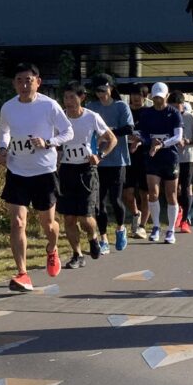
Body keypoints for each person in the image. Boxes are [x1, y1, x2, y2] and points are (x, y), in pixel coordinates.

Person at [0, 63, 74, 289]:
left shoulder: (49, 105)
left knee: (48, 224)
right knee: (17, 222)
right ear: (14, 83)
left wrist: (49, 142)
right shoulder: (8, 107)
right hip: (17, 171)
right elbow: (4, 131)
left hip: (44, 172)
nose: (24, 85)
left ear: (38, 82)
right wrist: (3, 148)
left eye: (28, 80)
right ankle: (22, 273)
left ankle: (52, 248)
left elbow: (68, 132)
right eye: (19, 80)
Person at [57, 82, 118, 267]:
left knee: (85, 217)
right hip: (66, 170)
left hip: (87, 171)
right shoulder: (59, 118)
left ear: (82, 97)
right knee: (69, 218)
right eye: (65, 97)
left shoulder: (92, 117)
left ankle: (93, 237)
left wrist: (99, 156)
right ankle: (77, 255)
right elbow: (55, 142)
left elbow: (112, 139)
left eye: (72, 97)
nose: (68, 101)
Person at [86, 74, 135, 253]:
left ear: (111, 88)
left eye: (104, 90)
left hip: (118, 160)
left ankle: (121, 229)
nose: (101, 94)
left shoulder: (121, 106)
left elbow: (129, 128)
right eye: (97, 91)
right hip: (98, 161)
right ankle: (103, 238)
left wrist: (108, 133)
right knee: (99, 202)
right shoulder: (91, 107)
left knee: (115, 199)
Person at [135, 81, 184, 243]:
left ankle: (171, 230)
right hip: (152, 157)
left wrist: (161, 144)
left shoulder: (174, 113)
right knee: (153, 193)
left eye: (161, 98)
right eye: (155, 97)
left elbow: (178, 137)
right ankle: (155, 226)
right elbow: (141, 133)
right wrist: (146, 141)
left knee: (171, 194)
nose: (158, 100)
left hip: (170, 157)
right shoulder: (146, 113)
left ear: (167, 96)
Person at [170, 92, 193, 232]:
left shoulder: (190, 117)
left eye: (177, 107)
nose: (175, 110)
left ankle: (185, 220)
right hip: (172, 157)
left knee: (187, 187)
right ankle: (179, 211)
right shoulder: (168, 116)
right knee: (174, 188)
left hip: (188, 157)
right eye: (172, 107)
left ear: (182, 105)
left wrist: (188, 141)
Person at [122, 85, 149, 238]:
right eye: (133, 94)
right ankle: (135, 213)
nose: (136, 97)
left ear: (145, 96)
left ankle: (142, 226)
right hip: (127, 156)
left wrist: (140, 140)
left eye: (139, 95)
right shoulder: (124, 111)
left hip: (145, 155)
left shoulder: (149, 112)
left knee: (145, 194)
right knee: (127, 193)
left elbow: (153, 133)